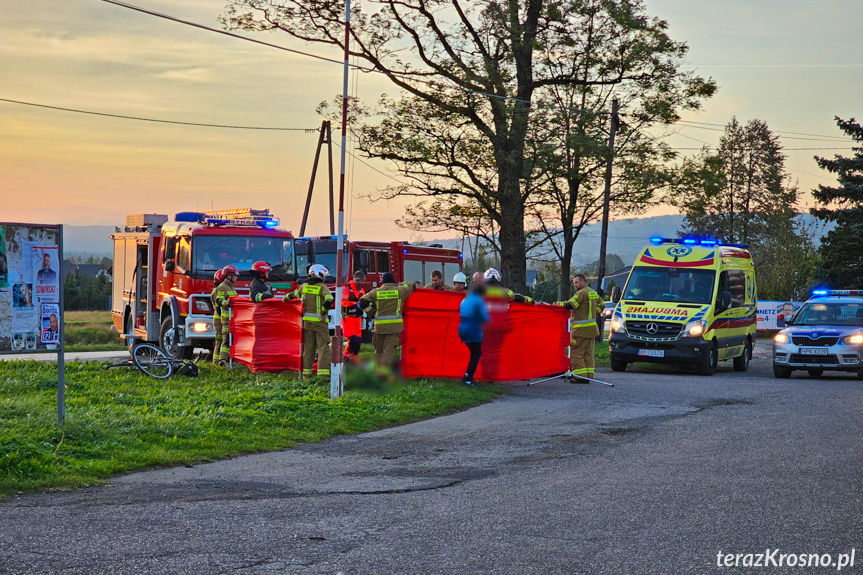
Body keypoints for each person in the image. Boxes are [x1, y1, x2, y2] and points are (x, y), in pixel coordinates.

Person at [359, 272, 416, 377]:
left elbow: (362, 302)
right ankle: (383, 374)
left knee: (378, 351)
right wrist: (400, 284)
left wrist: (371, 312)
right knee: (389, 351)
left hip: (379, 327)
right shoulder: (400, 290)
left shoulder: (376, 292)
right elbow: (412, 284)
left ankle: (376, 371)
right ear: (393, 281)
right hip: (394, 327)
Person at [284, 264, 334, 379]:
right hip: (320, 324)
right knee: (323, 348)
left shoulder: (304, 287)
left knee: (309, 349)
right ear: (319, 275)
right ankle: (323, 375)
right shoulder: (322, 287)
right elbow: (329, 300)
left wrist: (284, 298)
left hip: (306, 324)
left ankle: (306, 375)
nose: (324, 278)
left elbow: (293, 295)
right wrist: (323, 312)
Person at [556, 274, 604, 382]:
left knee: (576, 353)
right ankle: (588, 376)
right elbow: (602, 305)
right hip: (592, 330)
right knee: (588, 353)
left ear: (583, 282)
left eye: (576, 282)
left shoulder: (581, 293)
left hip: (580, 330)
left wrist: (557, 304)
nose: (575, 285)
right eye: (574, 283)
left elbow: (571, 305)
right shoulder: (592, 292)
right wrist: (593, 313)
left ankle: (580, 377)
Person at [459, 284, 489, 386]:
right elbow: (484, 317)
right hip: (473, 329)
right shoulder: (478, 301)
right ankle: (468, 378)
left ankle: (467, 374)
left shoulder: (465, 300)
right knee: (476, 354)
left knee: (474, 353)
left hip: (462, 329)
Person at [213, 265, 239, 365]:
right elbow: (219, 300)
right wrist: (226, 303)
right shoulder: (223, 287)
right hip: (225, 319)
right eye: (235, 276)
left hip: (231, 319)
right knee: (225, 340)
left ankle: (222, 361)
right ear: (229, 276)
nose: (236, 278)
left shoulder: (231, 287)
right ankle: (221, 361)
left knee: (228, 339)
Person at [342, 270, 367, 361]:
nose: (362, 283)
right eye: (361, 281)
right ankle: (347, 355)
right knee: (353, 339)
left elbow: (364, 301)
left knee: (358, 341)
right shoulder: (346, 288)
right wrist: (355, 304)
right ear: (356, 280)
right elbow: (342, 302)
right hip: (348, 317)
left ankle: (353, 356)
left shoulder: (361, 290)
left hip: (358, 318)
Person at [210, 268, 225, 363]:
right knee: (220, 340)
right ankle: (216, 362)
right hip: (220, 318)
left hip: (219, 318)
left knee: (220, 340)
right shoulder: (218, 291)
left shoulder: (216, 290)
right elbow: (219, 307)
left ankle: (217, 361)